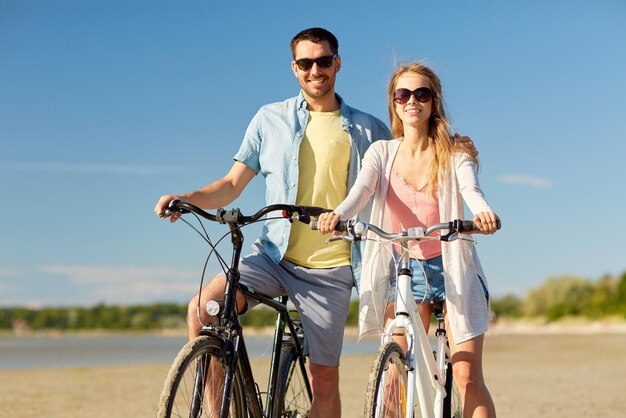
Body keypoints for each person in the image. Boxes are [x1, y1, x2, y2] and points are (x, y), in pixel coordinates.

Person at [154, 27, 391, 418]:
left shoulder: (369, 130)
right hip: (273, 256)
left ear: (338, 63)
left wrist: (457, 148)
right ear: (294, 68)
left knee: (324, 380)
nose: (316, 70)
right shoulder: (269, 119)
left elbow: (412, 160)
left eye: (324, 61)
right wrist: (188, 198)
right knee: (203, 309)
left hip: (331, 268)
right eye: (306, 63)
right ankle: (218, 413)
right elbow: (231, 184)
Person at [316, 61, 499, 417]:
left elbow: (470, 189)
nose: (411, 100)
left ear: (433, 101)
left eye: (421, 93)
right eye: (403, 94)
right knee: (394, 366)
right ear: (394, 102)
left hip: (453, 269)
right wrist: (339, 215)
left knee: (466, 375)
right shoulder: (382, 152)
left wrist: (482, 213)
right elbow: (360, 191)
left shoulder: (454, 150)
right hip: (407, 269)